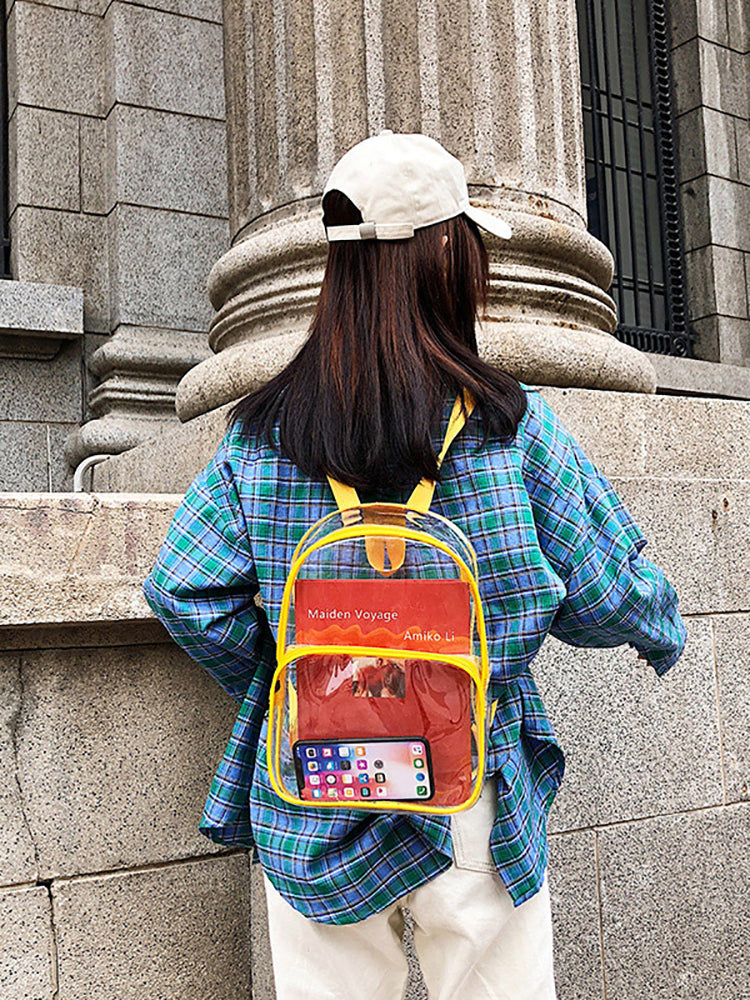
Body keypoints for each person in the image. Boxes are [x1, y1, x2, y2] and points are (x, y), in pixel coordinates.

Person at [142, 131, 687, 1000]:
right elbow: (603, 591)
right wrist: (662, 629)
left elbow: (182, 590)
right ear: (445, 258)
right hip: (467, 775)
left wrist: (307, 670)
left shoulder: (261, 430)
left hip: (317, 782)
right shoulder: (512, 425)